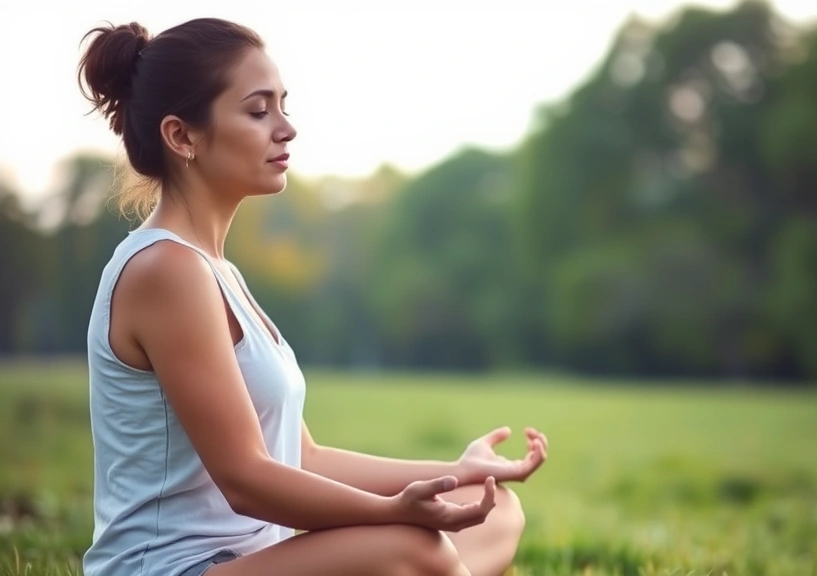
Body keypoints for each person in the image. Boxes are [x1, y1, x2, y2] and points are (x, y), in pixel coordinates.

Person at [78, 17, 548, 576]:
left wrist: (456, 470)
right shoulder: (166, 270)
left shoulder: (216, 271)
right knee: (413, 548)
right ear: (183, 136)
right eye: (258, 111)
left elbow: (305, 458)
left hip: (250, 562)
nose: (287, 128)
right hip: (175, 569)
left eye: (283, 105)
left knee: (496, 513)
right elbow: (246, 479)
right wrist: (393, 513)